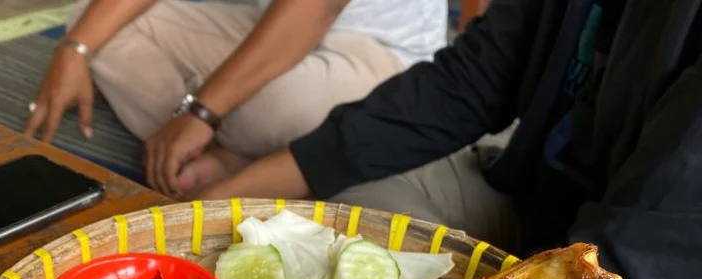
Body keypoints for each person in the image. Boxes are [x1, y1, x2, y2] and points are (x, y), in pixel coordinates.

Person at [199, 0, 702, 279]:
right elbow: (464, 83)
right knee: (358, 197)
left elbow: (642, 264)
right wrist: (229, 198)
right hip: (534, 207)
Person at [24, 0, 447, 196]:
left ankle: (212, 136)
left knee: (267, 106)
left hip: (379, 51)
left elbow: (314, 11)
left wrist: (203, 111)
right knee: (91, 22)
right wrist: (74, 48)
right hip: (269, 20)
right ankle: (243, 152)